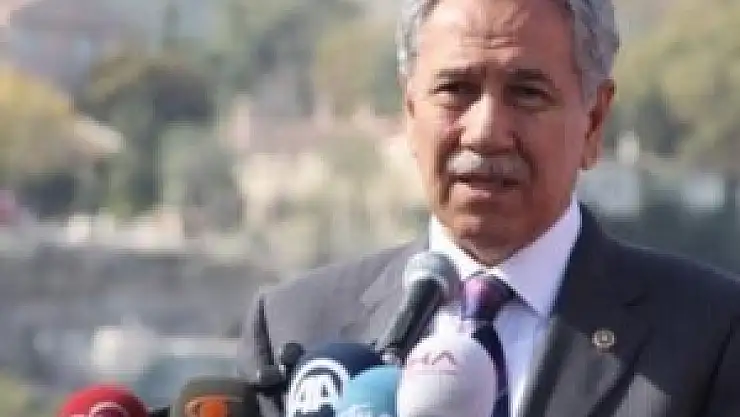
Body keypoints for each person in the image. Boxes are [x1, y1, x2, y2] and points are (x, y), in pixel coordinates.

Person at [237, 0, 740, 416]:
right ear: (410, 111)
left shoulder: (711, 335)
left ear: (593, 121)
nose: (485, 132)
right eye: (455, 90)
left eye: (527, 94)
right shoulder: (295, 329)